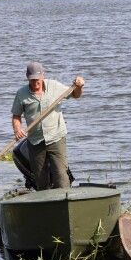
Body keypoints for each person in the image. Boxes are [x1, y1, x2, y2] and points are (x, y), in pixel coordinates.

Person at [11, 61, 84, 190]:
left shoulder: (54, 86)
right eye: (32, 80)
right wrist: (17, 129)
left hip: (56, 137)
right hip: (35, 141)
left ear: (43, 75)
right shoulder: (21, 94)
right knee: (40, 180)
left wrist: (79, 86)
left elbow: (75, 95)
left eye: (37, 79)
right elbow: (16, 116)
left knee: (61, 177)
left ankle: (64, 202)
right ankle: (46, 207)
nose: (35, 83)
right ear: (28, 78)